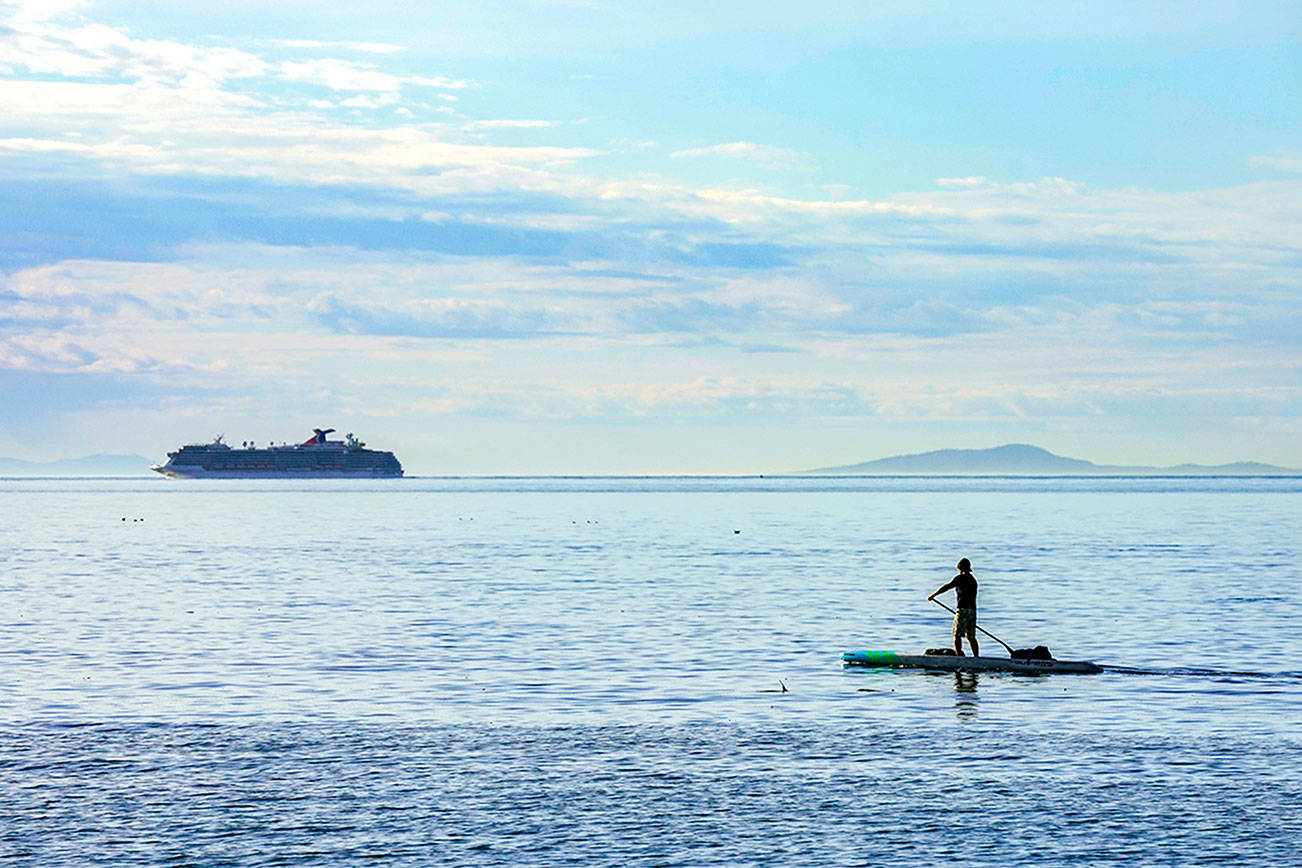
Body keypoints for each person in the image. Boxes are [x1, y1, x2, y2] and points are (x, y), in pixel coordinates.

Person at [927, 557, 979, 656]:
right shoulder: (973, 580)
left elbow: (947, 586)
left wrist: (933, 595)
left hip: (962, 610)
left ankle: (958, 657)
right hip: (972, 611)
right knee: (971, 637)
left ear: (960, 568)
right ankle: (976, 657)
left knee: (957, 635)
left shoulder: (960, 578)